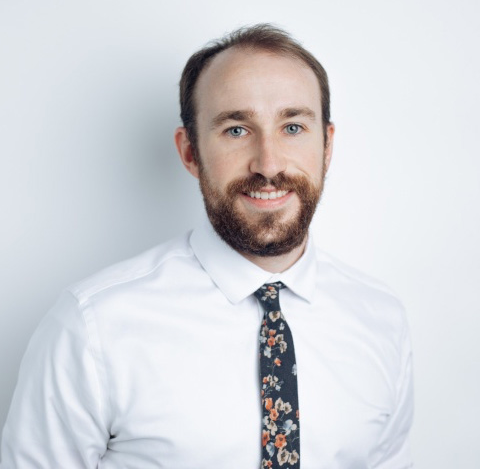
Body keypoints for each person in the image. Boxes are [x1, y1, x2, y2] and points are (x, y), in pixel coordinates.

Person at [0, 24, 413, 468]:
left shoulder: (381, 321)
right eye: (236, 130)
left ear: (327, 146)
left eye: (293, 127)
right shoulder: (91, 329)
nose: (269, 164)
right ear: (190, 152)